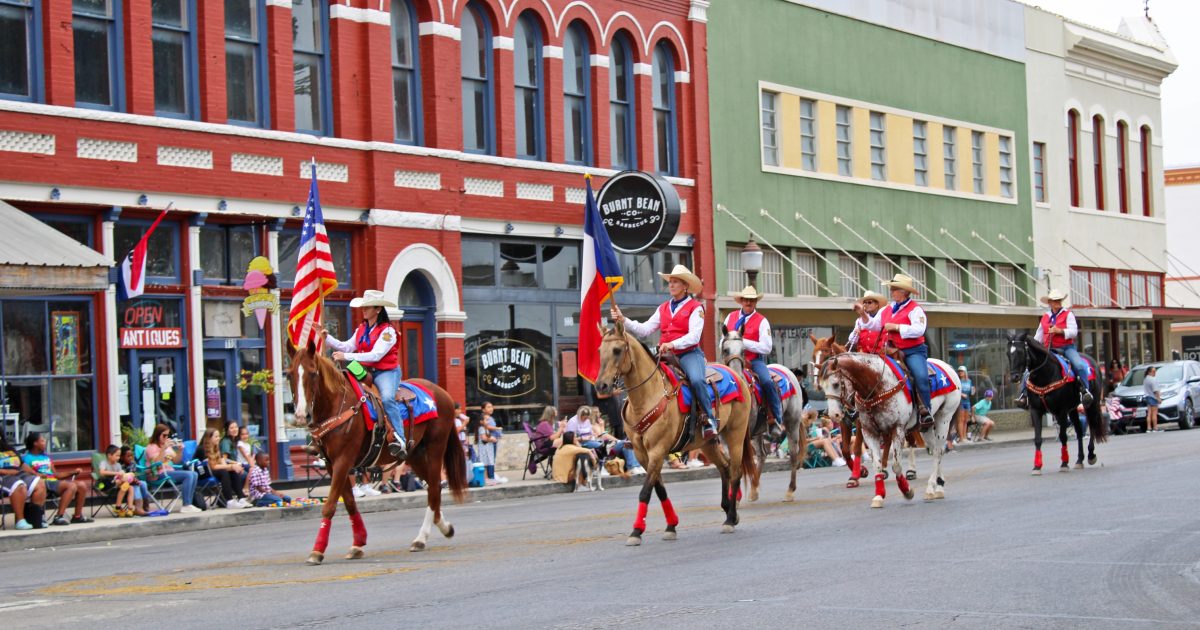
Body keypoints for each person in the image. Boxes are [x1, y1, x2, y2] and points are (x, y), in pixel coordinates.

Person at [611, 264, 720, 442]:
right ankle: (636, 426)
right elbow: (645, 329)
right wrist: (624, 320)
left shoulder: (696, 307)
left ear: (685, 286)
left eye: (675, 282)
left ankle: (709, 419)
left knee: (697, 380)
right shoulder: (663, 308)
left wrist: (671, 343)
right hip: (665, 355)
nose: (671, 285)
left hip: (688, 354)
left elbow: (694, 337)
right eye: (670, 281)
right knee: (640, 377)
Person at [325, 289, 406, 460]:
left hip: (386, 372)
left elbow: (376, 355)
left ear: (378, 309)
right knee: (345, 394)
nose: (364, 310)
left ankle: (400, 437)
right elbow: (346, 346)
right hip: (364, 371)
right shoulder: (361, 328)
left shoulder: (388, 332)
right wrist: (326, 337)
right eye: (363, 307)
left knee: (387, 398)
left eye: (368, 307)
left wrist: (346, 357)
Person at [855, 273, 935, 429]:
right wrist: (862, 313)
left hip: (912, 351)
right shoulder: (888, 309)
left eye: (894, 289)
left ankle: (926, 411)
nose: (891, 292)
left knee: (921, 377)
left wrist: (897, 327)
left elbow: (919, 330)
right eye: (891, 289)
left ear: (904, 292)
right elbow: (873, 325)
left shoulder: (915, 309)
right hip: (890, 350)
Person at [724, 285, 786, 440]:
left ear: (755, 302)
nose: (748, 303)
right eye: (745, 300)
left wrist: (742, 342)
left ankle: (776, 420)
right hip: (731, 360)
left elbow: (766, 347)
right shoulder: (729, 317)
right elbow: (721, 342)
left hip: (753, 361)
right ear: (741, 301)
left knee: (767, 382)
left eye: (751, 300)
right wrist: (731, 345)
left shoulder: (762, 321)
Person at [1018, 289, 1094, 408]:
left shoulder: (1068, 314)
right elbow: (1039, 336)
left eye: (1058, 300)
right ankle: (1023, 395)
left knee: (1079, 365)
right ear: (1050, 303)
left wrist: (1060, 331)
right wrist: (1033, 346)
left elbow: (1074, 332)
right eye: (1054, 300)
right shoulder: (1045, 317)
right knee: (1030, 369)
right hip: (1049, 349)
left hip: (1067, 348)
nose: (1057, 302)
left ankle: (1085, 392)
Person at [23, 432, 92, 525]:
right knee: (71, 486)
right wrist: (38, 475)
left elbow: (55, 474)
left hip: (54, 482)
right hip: (42, 484)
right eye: (42, 441)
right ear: (35, 443)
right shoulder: (27, 458)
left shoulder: (45, 457)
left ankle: (77, 516)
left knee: (82, 485)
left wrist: (73, 472)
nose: (45, 442)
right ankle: (59, 517)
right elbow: (27, 475)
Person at [145, 423, 202, 513]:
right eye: (164, 435)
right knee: (188, 475)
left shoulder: (167, 446)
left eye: (168, 435)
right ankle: (186, 505)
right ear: (157, 434)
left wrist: (180, 450)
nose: (166, 437)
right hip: (158, 474)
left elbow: (176, 461)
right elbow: (157, 464)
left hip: (169, 472)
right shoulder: (151, 447)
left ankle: (189, 503)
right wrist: (163, 449)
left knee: (194, 474)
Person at [0, 432, 46, 529]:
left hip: (19, 473)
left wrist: (36, 473)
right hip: (3, 476)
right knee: (19, 485)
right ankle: (20, 520)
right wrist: (5, 471)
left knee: (39, 483)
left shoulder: (9, 449)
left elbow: (22, 465)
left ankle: (36, 518)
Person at [200, 428, 251, 508]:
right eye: (216, 437)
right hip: (202, 473)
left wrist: (233, 467)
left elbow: (222, 463)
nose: (219, 438)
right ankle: (229, 501)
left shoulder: (216, 448)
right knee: (224, 472)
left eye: (219, 436)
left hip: (213, 471)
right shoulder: (202, 449)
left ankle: (241, 498)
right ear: (209, 438)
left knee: (232, 472)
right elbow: (213, 466)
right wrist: (231, 466)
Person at [98, 444, 145, 517]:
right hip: (106, 484)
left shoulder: (118, 465)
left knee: (130, 487)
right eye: (116, 456)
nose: (118, 458)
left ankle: (129, 508)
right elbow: (102, 472)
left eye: (119, 456)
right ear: (109, 455)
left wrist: (122, 474)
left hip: (117, 484)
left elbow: (121, 476)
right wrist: (117, 473)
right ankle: (118, 507)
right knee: (126, 479)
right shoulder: (104, 463)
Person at [476, 402, 505, 484]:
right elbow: (484, 436)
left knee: (490, 460)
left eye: (491, 406)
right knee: (487, 462)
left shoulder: (490, 419)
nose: (491, 408)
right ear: (483, 409)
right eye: (488, 407)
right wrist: (497, 429)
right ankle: (489, 477)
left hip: (490, 445)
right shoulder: (483, 425)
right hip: (487, 445)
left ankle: (490, 477)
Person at [955, 366, 974, 445]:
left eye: (962, 371)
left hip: (967, 402)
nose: (960, 373)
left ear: (965, 372)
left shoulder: (969, 381)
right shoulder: (957, 380)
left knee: (966, 420)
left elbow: (971, 391)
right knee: (961, 420)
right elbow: (955, 389)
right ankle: (961, 437)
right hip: (960, 402)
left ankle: (965, 437)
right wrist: (961, 394)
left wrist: (973, 391)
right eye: (959, 371)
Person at [1144, 366, 1161, 432]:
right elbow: (1155, 390)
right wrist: (1158, 398)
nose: (1155, 373)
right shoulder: (1152, 379)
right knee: (1154, 413)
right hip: (1153, 397)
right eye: (1153, 371)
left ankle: (1149, 428)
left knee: (1149, 413)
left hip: (1147, 397)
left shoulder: (1146, 379)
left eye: (1155, 371)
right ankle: (1155, 427)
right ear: (1149, 372)